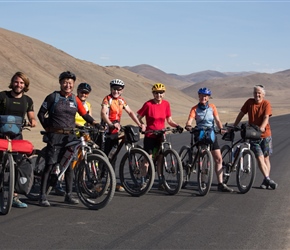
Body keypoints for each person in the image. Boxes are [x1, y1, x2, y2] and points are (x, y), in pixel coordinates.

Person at [37, 71, 100, 207]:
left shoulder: (74, 100)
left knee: (69, 167)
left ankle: (68, 195)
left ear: (73, 85)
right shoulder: (52, 97)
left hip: (70, 137)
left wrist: (95, 123)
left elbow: (84, 114)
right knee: (50, 165)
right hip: (55, 136)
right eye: (65, 82)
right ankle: (42, 196)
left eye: (70, 83)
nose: (68, 85)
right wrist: (48, 128)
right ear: (60, 83)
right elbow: (41, 114)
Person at [185, 87, 233, 192]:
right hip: (200, 133)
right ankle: (202, 181)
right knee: (202, 157)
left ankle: (220, 183)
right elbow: (190, 120)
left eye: (205, 96)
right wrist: (189, 126)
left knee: (219, 159)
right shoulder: (194, 109)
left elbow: (217, 120)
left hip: (211, 133)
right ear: (199, 96)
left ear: (208, 97)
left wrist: (220, 128)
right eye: (201, 95)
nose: (203, 97)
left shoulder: (212, 107)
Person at [0, 71, 37, 208]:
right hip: (1, 136)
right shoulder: (3, 96)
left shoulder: (28, 100)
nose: (18, 85)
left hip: (17, 137)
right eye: (16, 82)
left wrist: (32, 121)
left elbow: (31, 116)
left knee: (18, 165)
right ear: (12, 82)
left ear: (25, 85)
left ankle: (14, 196)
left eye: (21, 83)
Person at [137, 83, 183, 191]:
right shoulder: (148, 104)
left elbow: (169, 120)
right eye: (156, 93)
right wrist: (142, 125)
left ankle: (161, 181)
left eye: (161, 93)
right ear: (153, 93)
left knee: (161, 159)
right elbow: (138, 117)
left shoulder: (166, 104)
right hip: (150, 134)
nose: (159, 95)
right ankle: (143, 180)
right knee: (148, 159)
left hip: (161, 135)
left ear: (164, 93)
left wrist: (177, 126)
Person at [100, 79, 145, 192]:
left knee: (113, 157)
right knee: (105, 156)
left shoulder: (121, 100)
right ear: (111, 89)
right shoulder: (107, 99)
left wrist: (139, 124)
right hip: (107, 131)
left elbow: (130, 112)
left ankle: (111, 182)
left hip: (116, 131)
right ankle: (100, 183)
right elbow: (103, 112)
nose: (116, 91)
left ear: (122, 91)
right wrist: (110, 124)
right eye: (114, 89)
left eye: (118, 89)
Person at [233, 85, 277, 190]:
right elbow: (241, 114)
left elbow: (266, 117)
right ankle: (267, 178)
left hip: (265, 135)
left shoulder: (266, 104)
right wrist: (235, 125)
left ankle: (266, 180)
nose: (257, 95)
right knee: (259, 157)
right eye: (255, 92)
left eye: (259, 93)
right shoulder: (249, 102)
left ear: (263, 94)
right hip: (253, 135)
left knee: (266, 158)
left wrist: (262, 127)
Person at [54, 82, 93, 196]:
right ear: (78, 92)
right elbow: (68, 117)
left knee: (83, 157)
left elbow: (88, 118)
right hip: (71, 131)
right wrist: (78, 125)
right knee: (66, 158)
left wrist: (94, 125)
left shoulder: (88, 105)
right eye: (82, 92)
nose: (83, 94)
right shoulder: (73, 101)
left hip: (83, 133)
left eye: (86, 93)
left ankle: (81, 182)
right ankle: (58, 182)